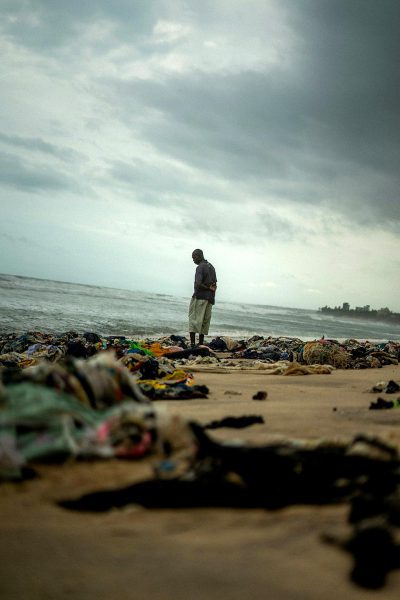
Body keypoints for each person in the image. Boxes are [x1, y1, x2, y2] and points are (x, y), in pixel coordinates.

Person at [189, 249, 217, 347]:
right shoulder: (211, 267)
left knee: (194, 320)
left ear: (199, 255)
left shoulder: (200, 267)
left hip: (199, 297)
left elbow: (198, 284)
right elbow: (214, 286)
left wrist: (206, 288)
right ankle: (200, 344)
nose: (193, 260)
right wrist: (212, 297)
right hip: (209, 299)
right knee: (204, 322)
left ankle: (192, 344)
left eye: (194, 257)